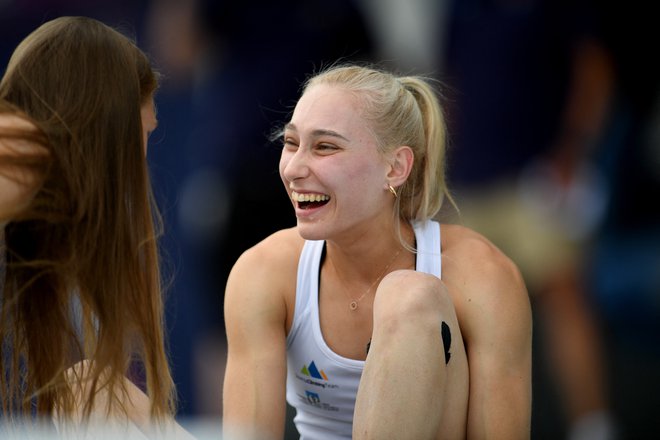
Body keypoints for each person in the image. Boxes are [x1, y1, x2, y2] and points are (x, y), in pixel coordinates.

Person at [222, 63, 533, 439]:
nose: (294, 168)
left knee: (411, 295)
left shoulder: (483, 274)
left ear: (396, 167)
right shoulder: (262, 270)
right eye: (291, 143)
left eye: (325, 146)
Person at [0, 16, 193, 438]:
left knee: (95, 386)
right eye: (143, 133)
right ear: (108, 124)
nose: (141, 158)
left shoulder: (28, 179)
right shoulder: (19, 158)